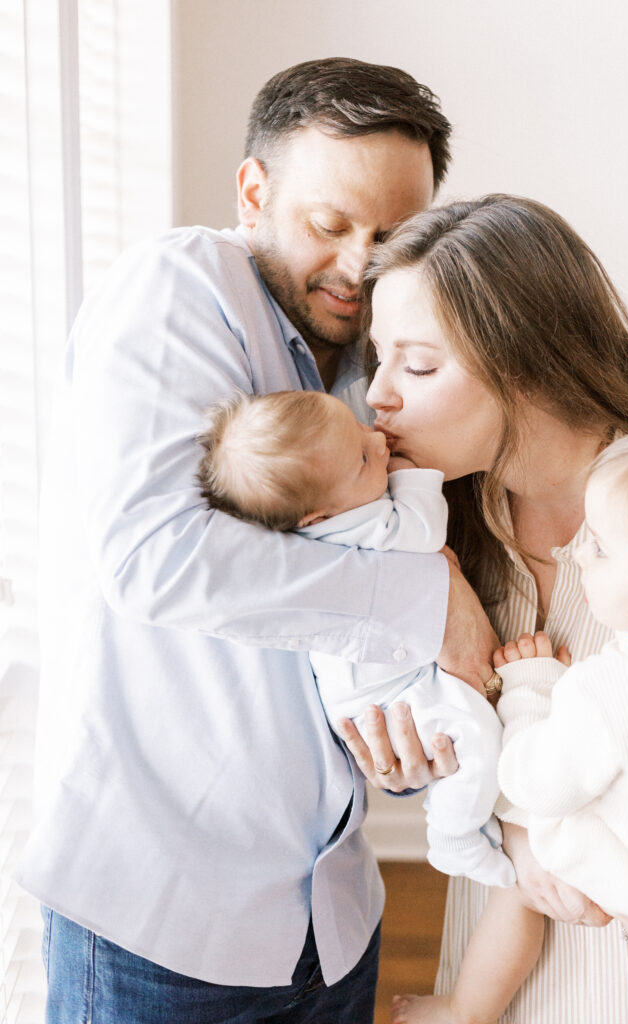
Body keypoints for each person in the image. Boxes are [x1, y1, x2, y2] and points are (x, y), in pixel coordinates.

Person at [15, 58, 498, 1024]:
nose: (359, 265)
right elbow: (158, 559)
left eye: (391, 235)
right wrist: (425, 608)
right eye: (329, 225)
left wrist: (400, 732)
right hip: (162, 922)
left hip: (331, 912)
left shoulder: (377, 356)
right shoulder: (177, 289)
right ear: (253, 192)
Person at [332, 195, 628, 1024]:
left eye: (417, 366)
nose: (377, 396)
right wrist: (426, 761)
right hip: (511, 976)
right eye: (377, 360)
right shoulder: (424, 538)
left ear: (524, 362)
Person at [395, 423, 628, 1024]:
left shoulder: (609, 686)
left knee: (520, 856)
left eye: (599, 546)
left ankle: (464, 1010)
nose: (575, 553)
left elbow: (529, 781)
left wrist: (530, 689)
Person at [197, 388, 515, 886]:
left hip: (377, 689)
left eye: (359, 426)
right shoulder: (359, 525)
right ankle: (456, 838)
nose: (378, 439)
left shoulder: (321, 516)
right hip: (387, 699)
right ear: (318, 518)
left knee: (467, 743)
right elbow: (423, 530)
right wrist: (411, 472)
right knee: (474, 735)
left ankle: (472, 817)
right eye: (366, 457)